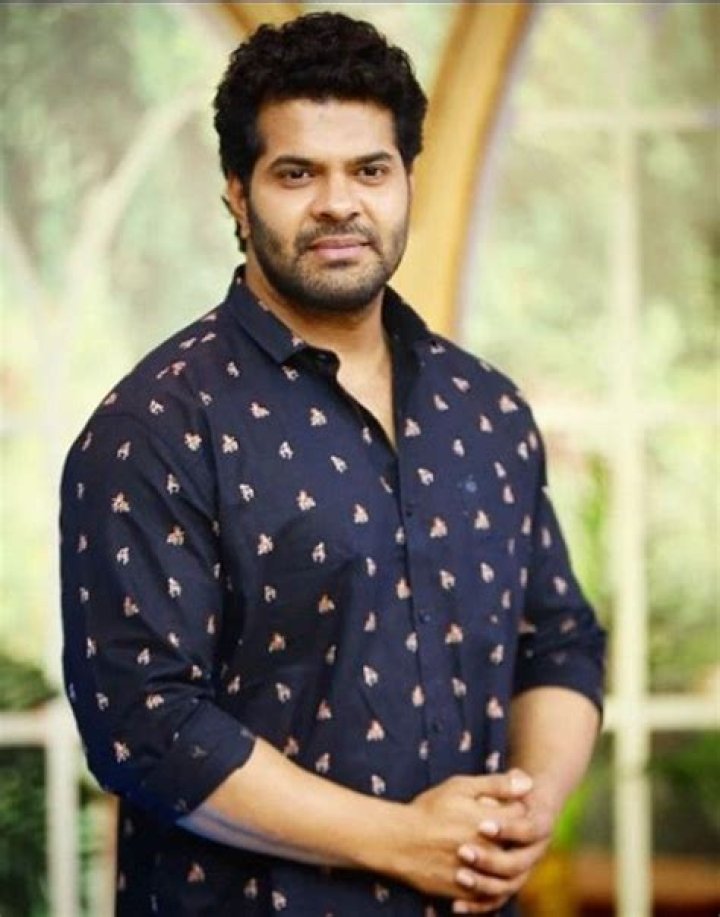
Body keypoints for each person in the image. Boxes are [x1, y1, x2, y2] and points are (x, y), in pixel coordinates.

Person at [60, 12, 606, 917]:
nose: (339, 203)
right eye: (297, 173)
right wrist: (403, 839)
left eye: (370, 169)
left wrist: (526, 810)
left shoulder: (488, 409)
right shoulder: (154, 427)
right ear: (237, 195)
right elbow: (146, 723)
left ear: (407, 180)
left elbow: (558, 641)